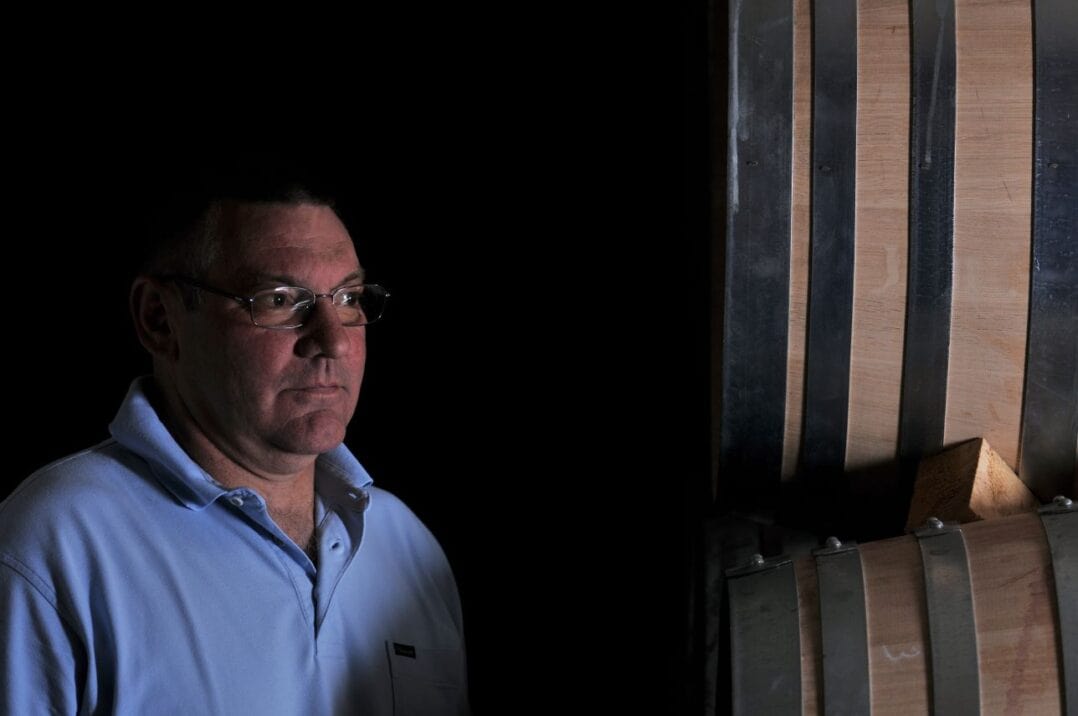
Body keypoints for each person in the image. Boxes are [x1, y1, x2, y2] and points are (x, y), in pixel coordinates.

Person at [0, 172, 469, 714]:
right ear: (159, 320)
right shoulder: (52, 544)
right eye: (280, 299)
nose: (333, 340)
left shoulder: (408, 549)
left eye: (348, 298)